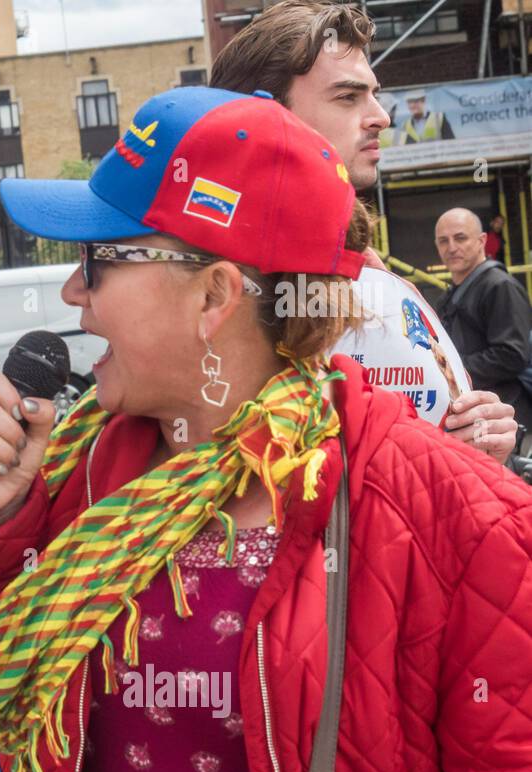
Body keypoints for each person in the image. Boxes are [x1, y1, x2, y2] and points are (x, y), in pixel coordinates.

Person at [0, 87, 532, 772]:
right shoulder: (75, 472)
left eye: (96, 261)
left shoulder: (460, 515)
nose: (73, 295)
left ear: (214, 295)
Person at [209, 0, 517, 462]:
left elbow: (438, 425)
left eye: (373, 94)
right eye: (348, 97)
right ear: (266, 119)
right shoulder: (213, 291)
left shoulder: (377, 280)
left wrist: (482, 433)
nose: (381, 117)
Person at [436, 207, 532, 428]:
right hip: (472, 418)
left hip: (504, 421)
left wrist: (451, 371)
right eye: (443, 241)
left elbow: (512, 355)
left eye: (460, 238)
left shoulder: (500, 286)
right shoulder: (449, 296)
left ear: (482, 241)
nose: (451, 247)